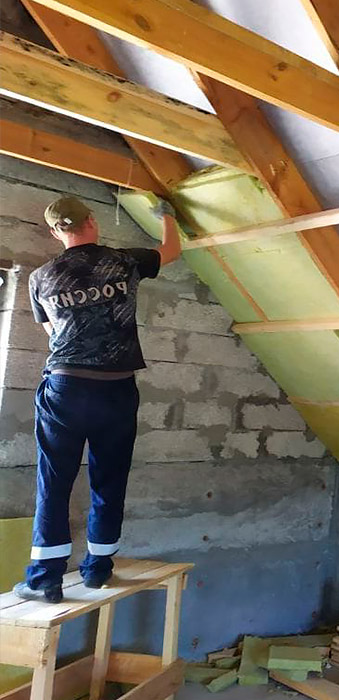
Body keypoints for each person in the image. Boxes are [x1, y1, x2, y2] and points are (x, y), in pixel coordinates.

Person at [13, 195, 181, 603]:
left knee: (54, 482)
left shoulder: (41, 278)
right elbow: (172, 250)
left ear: (55, 232)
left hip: (66, 388)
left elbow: (51, 332)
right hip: (116, 389)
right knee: (110, 479)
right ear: (92, 221)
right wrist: (168, 215)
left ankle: (45, 579)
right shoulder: (124, 262)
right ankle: (98, 569)